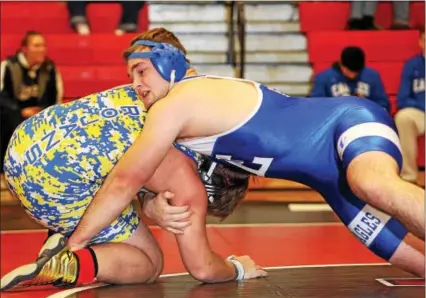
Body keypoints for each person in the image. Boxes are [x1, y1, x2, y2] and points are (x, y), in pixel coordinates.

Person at [66, 28, 425, 278]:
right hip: (327, 179)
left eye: (140, 70)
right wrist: (153, 205)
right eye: (130, 75)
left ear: (167, 64)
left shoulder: (177, 103)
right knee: (404, 256)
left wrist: (76, 243)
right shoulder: (180, 119)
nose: (135, 84)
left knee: (371, 184)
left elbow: (125, 180)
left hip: (343, 125)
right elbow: (160, 184)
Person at [0, 84, 266, 292]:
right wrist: (237, 268)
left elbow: (118, 150)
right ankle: (67, 262)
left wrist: (150, 202)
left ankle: (60, 235)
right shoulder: (186, 179)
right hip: (48, 185)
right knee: (149, 263)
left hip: (23, 143)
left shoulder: (172, 97)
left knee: (99, 167)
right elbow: (203, 269)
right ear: (209, 184)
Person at [0, 30, 63, 189]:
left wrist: (41, 111)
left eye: (43, 45)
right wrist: (20, 111)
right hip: (11, 113)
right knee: (9, 123)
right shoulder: (8, 65)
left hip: (38, 113)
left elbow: (55, 97)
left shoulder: (49, 68)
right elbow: (2, 96)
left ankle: (42, 174)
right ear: (25, 49)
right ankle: (6, 173)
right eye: (36, 45)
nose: (41, 49)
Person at [310, 46, 390, 113]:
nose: (353, 75)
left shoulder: (372, 76)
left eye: (357, 71)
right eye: (348, 71)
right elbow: (317, 107)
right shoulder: (324, 78)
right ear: (341, 63)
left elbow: (383, 104)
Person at [394, 27, 425, 185]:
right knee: (403, 117)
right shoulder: (412, 65)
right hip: (420, 112)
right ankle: (409, 177)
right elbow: (403, 98)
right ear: (420, 42)